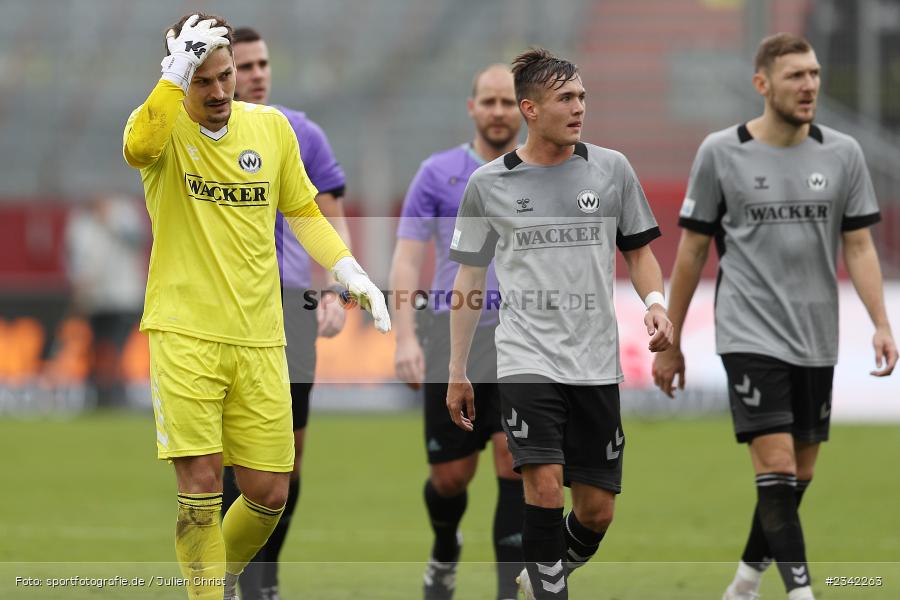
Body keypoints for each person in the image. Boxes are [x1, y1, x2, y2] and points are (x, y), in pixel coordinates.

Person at [122, 13, 390, 600]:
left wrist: (349, 271)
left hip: (262, 338)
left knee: (270, 491)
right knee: (200, 484)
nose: (220, 91)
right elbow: (136, 145)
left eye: (227, 76)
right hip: (185, 334)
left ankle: (215, 578)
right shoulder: (162, 129)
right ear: (179, 77)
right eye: (204, 80)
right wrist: (172, 76)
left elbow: (303, 213)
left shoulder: (270, 130)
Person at [652, 33, 897, 600]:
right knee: (779, 467)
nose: (809, 84)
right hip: (748, 330)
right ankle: (801, 592)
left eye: (813, 74)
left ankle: (743, 584)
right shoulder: (720, 152)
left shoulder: (843, 153)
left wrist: (882, 322)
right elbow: (691, 251)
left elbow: (858, 246)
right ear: (763, 84)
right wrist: (672, 339)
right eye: (795, 76)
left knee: (796, 479)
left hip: (817, 334)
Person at [446, 48, 673, 600]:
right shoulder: (488, 184)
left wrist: (657, 302)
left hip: (595, 361)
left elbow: (639, 251)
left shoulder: (611, 169)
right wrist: (457, 369)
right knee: (543, 488)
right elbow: (470, 281)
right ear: (530, 108)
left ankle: (543, 574)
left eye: (582, 98)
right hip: (526, 359)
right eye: (565, 99)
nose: (579, 110)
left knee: (596, 512)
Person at [219, 26, 353, 600]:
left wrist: (338, 289)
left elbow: (331, 216)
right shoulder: (204, 136)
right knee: (231, 451)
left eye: (261, 63)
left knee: (289, 458)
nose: (255, 74)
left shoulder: (302, 132)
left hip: (293, 304)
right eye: (243, 65)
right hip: (228, 307)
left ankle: (265, 572)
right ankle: (233, 577)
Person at [390, 64, 525, 600]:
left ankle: (509, 590)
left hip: (520, 336)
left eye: (508, 102)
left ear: (526, 109)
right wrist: (403, 337)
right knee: (450, 478)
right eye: (488, 102)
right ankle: (445, 547)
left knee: (514, 463)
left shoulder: (542, 171)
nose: (498, 112)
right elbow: (405, 259)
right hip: (450, 334)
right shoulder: (437, 173)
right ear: (471, 107)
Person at [65, 193, 147, 407]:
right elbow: (74, 258)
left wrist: (110, 219)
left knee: (117, 348)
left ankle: (117, 394)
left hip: (122, 297)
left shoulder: (125, 212)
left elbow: (139, 240)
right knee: (96, 348)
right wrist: (78, 282)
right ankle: (97, 395)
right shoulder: (80, 221)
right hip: (94, 299)